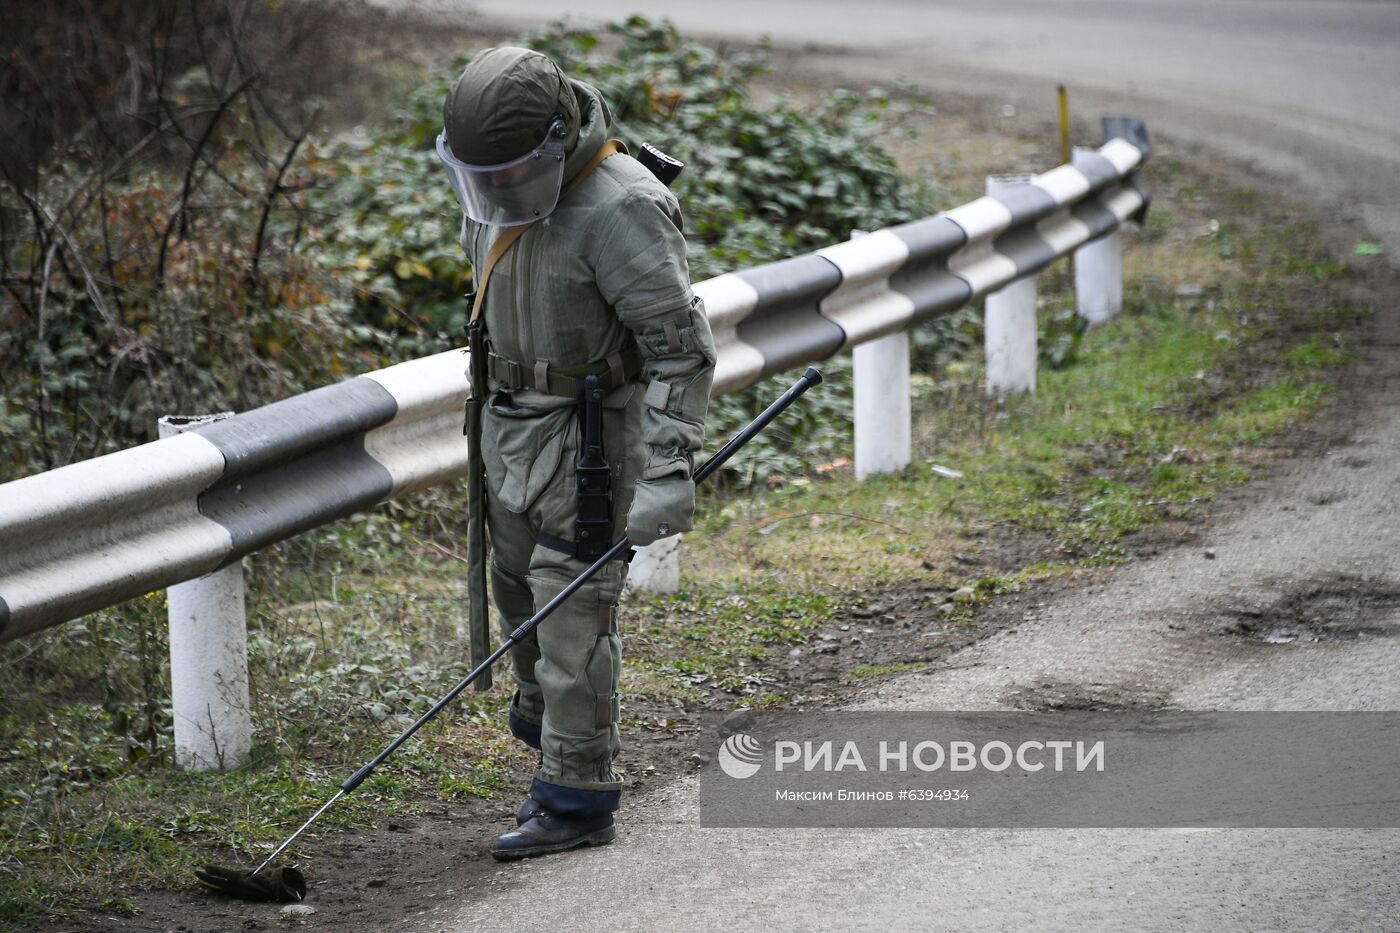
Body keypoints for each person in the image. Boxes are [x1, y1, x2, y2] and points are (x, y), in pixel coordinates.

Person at [437, 47, 716, 860]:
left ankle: (576, 793)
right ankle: (552, 726)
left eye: (517, 172)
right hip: (507, 430)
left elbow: (679, 352)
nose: (498, 191)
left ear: (558, 143)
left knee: (573, 618)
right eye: (483, 176)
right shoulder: (496, 183)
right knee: (515, 596)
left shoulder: (621, 208)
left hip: (591, 441)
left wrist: (666, 468)